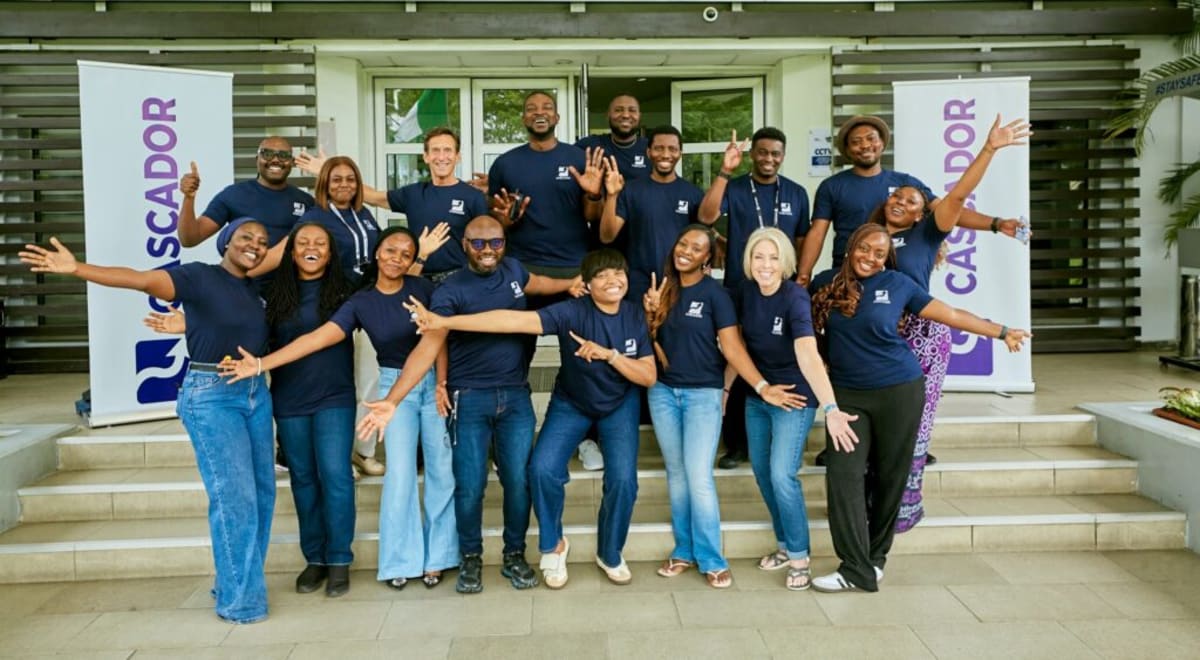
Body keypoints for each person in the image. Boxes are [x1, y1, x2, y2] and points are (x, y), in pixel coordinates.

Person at [21, 219, 275, 624]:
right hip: (212, 395)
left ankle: (234, 582)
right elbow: (140, 280)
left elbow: (229, 322)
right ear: (226, 242)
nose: (255, 246)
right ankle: (240, 603)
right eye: (246, 238)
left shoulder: (254, 289)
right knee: (235, 498)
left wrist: (187, 323)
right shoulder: (197, 276)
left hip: (254, 392)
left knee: (262, 495)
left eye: (262, 242)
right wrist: (78, 269)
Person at [356, 215, 584, 594]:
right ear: (464, 245)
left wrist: (570, 284)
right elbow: (428, 346)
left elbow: (537, 283)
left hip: (515, 396)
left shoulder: (512, 269)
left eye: (495, 242)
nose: (488, 250)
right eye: (478, 243)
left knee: (517, 480)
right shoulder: (449, 291)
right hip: (469, 399)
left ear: (504, 244)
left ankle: (514, 554)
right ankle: (471, 557)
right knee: (470, 484)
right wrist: (393, 399)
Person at [403, 248, 655, 590]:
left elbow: (648, 376)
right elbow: (511, 320)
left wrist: (609, 356)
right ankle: (553, 546)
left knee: (624, 480)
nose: (612, 281)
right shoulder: (571, 311)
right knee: (542, 468)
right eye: (601, 276)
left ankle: (610, 551)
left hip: (619, 404)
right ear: (587, 284)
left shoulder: (634, 315)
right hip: (573, 402)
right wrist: (445, 321)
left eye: (618, 273)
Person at [222, 227, 458, 591]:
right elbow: (318, 337)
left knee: (441, 470)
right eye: (390, 250)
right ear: (377, 253)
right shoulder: (360, 301)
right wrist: (260, 365)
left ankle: (439, 558)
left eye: (406, 253)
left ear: (413, 260)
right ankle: (400, 559)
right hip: (392, 388)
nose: (397, 257)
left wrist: (442, 381)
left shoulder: (425, 290)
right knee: (399, 475)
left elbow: (437, 338)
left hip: (430, 385)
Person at [808, 223, 1030, 593]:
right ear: (851, 246)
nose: (870, 257)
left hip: (900, 389)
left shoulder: (898, 285)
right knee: (843, 477)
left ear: (886, 258)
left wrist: (1002, 332)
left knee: (890, 476)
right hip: (847, 395)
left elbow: (953, 315)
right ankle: (854, 565)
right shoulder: (824, 282)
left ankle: (873, 561)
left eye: (879, 253)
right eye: (865, 249)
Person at [145, 222, 359, 597]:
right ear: (290, 251)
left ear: (331, 252)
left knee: (336, 477)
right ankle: (315, 560)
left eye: (320, 243)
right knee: (303, 479)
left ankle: (339, 558)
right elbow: (234, 317)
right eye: (303, 242)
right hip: (288, 397)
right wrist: (188, 322)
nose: (311, 248)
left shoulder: (348, 288)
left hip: (334, 396)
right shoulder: (271, 291)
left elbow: (390, 290)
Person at [868, 115, 1032, 533]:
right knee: (876, 425)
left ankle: (902, 511)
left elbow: (958, 196)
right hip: (874, 338)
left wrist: (990, 148)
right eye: (897, 198)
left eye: (912, 202)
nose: (901, 203)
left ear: (925, 214)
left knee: (913, 424)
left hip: (920, 336)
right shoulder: (866, 236)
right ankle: (870, 505)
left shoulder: (926, 234)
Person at [641, 224, 807, 589]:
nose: (687, 250)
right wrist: (651, 317)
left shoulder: (717, 295)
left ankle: (712, 558)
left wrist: (760, 387)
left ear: (708, 258)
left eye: (697, 248)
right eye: (682, 243)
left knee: (698, 477)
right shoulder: (660, 290)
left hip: (703, 394)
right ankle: (684, 550)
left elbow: (733, 348)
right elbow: (653, 347)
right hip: (664, 393)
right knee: (677, 474)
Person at [733, 227, 858, 591]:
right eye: (759, 256)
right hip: (758, 395)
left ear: (786, 261)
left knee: (781, 475)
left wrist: (831, 407)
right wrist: (731, 389)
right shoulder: (744, 292)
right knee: (761, 473)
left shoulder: (794, 297)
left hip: (795, 398)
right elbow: (736, 343)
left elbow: (807, 352)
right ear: (749, 260)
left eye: (773, 257)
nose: (766, 265)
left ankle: (800, 555)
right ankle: (786, 546)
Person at [697, 127, 811, 469]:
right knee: (738, 360)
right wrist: (724, 171)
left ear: (783, 155)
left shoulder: (796, 192)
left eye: (776, 153)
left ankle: (782, 436)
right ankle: (737, 444)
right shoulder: (734, 187)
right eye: (762, 152)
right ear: (753, 154)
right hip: (738, 290)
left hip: (782, 291)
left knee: (782, 358)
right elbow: (705, 217)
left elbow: (803, 239)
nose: (769, 159)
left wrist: (801, 277)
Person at [297, 127, 478, 283]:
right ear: (426, 156)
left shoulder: (473, 197)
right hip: (414, 278)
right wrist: (327, 171)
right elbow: (374, 197)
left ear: (458, 156)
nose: (441, 157)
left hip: (456, 280)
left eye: (447, 150)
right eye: (435, 150)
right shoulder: (413, 193)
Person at [487, 90, 605, 284]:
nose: (539, 113)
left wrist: (594, 194)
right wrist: (506, 220)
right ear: (524, 119)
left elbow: (593, 216)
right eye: (531, 109)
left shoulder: (579, 159)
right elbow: (495, 220)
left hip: (572, 264)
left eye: (547, 108)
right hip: (521, 266)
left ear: (556, 118)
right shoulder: (505, 164)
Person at [599, 125, 703, 303]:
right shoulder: (631, 190)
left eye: (672, 149)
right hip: (638, 286)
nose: (665, 154)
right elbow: (607, 236)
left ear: (680, 153)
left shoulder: (693, 194)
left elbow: (701, 238)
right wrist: (612, 196)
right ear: (648, 152)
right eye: (659, 148)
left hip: (680, 283)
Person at [178, 136, 313, 250]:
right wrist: (189, 198)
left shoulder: (306, 201)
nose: (275, 160)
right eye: (267, 154)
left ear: (292, 163)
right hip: (245, 279)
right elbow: (190, 239)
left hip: (289, 280)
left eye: (283, 155)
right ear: (257, 160)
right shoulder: (233, 195)